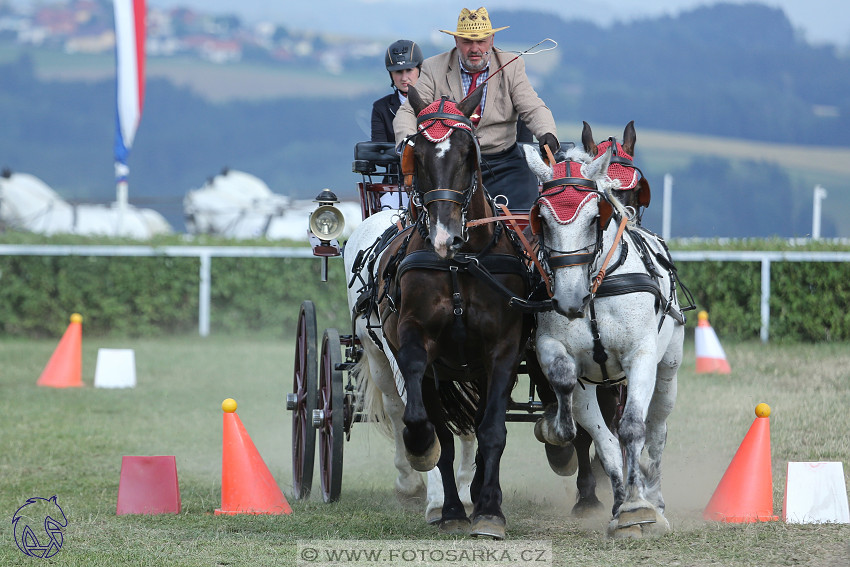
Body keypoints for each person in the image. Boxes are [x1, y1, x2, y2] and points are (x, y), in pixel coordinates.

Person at [393, 7, 559, 210]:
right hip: (449, 164)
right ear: (456, 42)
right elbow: (409, 111)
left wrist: (547, 133)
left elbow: (533, 107)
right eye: (467, 42)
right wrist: (407, 143)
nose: (475, 48)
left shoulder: (512, 66)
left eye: (481, 41)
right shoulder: (432, 67)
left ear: (492, 39)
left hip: (504, 163)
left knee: (525, 218)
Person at [371, 39, 423, 143]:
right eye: (398, 72)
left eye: (409, 70)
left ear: (420, 69)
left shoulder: (436, 102)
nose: (404, 78)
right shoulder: (381, 108)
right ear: (391, 75)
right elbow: (380, 149)